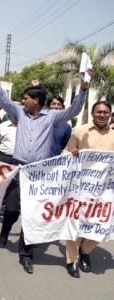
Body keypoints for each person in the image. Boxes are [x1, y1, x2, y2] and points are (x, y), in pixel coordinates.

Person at [0, 49, 92, 274]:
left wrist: (83, 89)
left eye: (26, 98)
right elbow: (1, 97)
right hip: (19, 168)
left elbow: (75, 108)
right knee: (13, 209)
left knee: (32, 213)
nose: (22, 100)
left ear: (36, 100)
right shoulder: (19, 112)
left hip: (40, 173)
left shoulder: (53, 116)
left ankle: (26, 253)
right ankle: (5, 229)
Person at [63, 101, 114, 278]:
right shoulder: (80, 131)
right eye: (99, 112)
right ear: (92, 113)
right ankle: (72, 259)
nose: (102, 115)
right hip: (80, 188)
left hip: (103, 192)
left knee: (102, 225)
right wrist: (73, 152)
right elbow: (67, 152)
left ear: (109, 115)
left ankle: (85, 251)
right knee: (76, 223)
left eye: (106, 112)